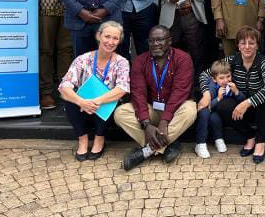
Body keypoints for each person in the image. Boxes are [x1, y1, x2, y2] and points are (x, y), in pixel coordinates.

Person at [115, 25, 197, 170]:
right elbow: (138, 93)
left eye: (160, 40)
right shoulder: (140, 61)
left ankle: (147, 151)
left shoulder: (183, 58)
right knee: (120, 113)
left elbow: (179, 92)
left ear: (169, 41)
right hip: (152, 110)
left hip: (175, 111)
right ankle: (170, 144)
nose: (155, 44)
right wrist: (146, 124)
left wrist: (164, 121)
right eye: (151, 41)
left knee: (190, 110)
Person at [198, 27, 265, 163]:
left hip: (260, 108)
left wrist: (247, 103)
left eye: (251, 43)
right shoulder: (232, 59)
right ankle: (250, 136)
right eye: (243, 43)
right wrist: (206, 94)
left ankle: (260, 141)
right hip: (240, 106)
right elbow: (205, 74)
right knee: (222, 105)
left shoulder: (264, 62)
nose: (247, 47)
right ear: (238, 45)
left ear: (257, 45)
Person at [59, 21, 130, 161]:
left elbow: (122, 88)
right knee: (69, 98)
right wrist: (81, 101)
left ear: (119, 41)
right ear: (99, 36)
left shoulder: (122, 62)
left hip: (104, 111)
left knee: (111, 98)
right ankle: (82, 139)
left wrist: (96, 101)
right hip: (82, 108)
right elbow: (64, 85)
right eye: (107, 36)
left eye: (115, 38)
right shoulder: (83, 59)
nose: (110, 42)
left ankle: (99, 138)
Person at [193, 59, 236, 159]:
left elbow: (240, 98)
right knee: (204, 113)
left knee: (215, 118)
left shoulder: (231, 85)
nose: (226, 80)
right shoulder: (212, 87)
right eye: (221, 78)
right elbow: (208, 106)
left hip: (217, 113)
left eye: (228, 76)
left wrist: (237, 92)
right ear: (214, 79)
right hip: (207, 109)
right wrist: (218, 99)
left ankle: (218, 138)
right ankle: (200, 143)